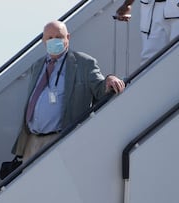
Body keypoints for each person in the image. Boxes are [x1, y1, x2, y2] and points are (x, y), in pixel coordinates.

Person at [11, 20, 125, 161]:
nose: (54, 41)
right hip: (32, 141)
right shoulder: (38, 65)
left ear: (68, 38)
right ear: (43, 41)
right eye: (50, 38)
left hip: (60, 139)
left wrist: (110, 78)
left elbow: (100, 90)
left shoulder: (84, 63)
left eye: (58, 37)